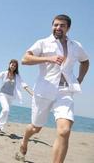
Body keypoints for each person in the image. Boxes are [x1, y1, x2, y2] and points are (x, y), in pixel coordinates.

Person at [15, 14, 89, 163]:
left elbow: (85, 62)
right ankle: (24, 140)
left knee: (64, 131)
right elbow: (25, 59)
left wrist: (79, 80)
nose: (58, 27)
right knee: (36, 128)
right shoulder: (43, 43)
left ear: (68, 28)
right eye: (55, 25)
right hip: (43, 91)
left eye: (62, 25)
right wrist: (48, 58)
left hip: (64, 92)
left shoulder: (76, 46)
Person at [0, 59, 33, 133]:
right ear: (9, 65)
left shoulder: (17, 77)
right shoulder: (4, 73)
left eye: (15, 66)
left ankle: (0, 127)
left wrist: (32, 94)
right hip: (2, 94)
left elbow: (24, 85)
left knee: (6, 112)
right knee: (6, 109)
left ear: (16, 67)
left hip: (11, 96)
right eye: (12, 65)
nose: (13, 66)